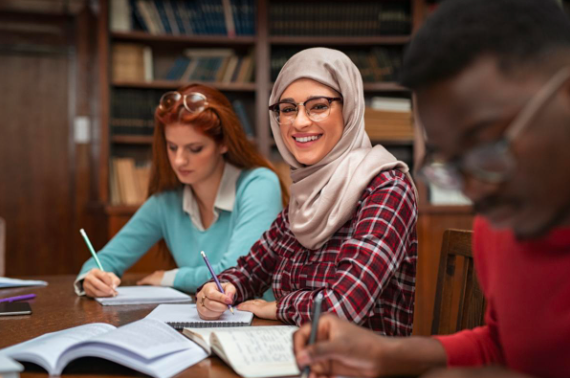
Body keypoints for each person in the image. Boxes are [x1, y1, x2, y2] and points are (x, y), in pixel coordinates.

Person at [293, 0, 570, 377]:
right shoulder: (499, 226)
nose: (473, 191)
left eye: (487, 146)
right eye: (451, 163)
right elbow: (501, 345)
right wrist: (385, 353)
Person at [196, 48, 418, 335]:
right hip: (294, 353)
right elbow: (251, 270)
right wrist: (220, 289)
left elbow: (343, 307)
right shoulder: (305, 195)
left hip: (365, 363)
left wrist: (277, 307)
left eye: (318, 106)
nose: (299, 122)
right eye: (288, 109)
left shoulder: (387, 189)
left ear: (349, 107)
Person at [75, 83, 287, 298]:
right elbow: (105, 260)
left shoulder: (260, 185)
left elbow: (237, 272)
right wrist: (92, 278)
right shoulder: (165, 202)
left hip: (258, 323)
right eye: (172, 147)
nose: (179, 160)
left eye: (195, 149)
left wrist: (170, 278)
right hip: (201, 320)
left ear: (224, 144)